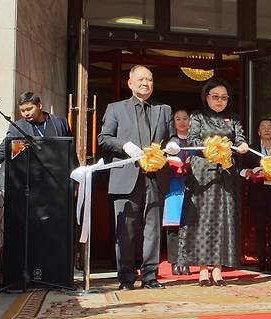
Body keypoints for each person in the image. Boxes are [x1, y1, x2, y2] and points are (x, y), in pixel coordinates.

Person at [98, 65, 180, 290]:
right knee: (126, 231)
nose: (146, 83)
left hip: (155, 176)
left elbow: (172, 136)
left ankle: (150, 276)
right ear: (130, 83)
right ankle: (126, 277)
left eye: (150, 80)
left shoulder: (163, 109)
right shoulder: (116, 108)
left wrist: (174, 144)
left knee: (153, 230)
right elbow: (103, 138)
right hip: (126, 177)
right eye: (141, 79)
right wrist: (124, 145)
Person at [177, 78, 249, 287]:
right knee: (202, 221)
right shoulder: (198, 116)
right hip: (203, 175)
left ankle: (217, 269)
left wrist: (242, 145)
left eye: (223, 97)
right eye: (215, 97)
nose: (219, 101)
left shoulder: (233, 118)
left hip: (226, 175)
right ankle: (201, 270)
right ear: (206, 97)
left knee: (222, 220)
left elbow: (240, 139)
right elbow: (192, 141)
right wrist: (213, 148)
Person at [240, 118, 271, 273]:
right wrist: (250, 172)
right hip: (257, 192)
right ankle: (260, 261)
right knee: (259, 228)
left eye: (270, 127)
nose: (266, 130)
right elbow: (241, 169)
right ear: (258, 131)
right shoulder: (251, 149)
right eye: (263, 127)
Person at [0, 92, 71, 166]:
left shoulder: (60, 122)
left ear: (39, 106)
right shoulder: (17, 127)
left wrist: (75, 176)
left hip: (57, 175)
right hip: (31, 177)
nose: (26, 113)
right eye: (22, 111)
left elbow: (70, 149)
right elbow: (4, 149)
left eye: (29, 109)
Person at [164, 109, 192, 276]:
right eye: (178, 119)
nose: (182, 122)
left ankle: (186, 261)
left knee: (189, 226)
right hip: (174, 187)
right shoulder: (170, 143)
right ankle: (174, 262)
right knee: (173, 226)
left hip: (192, 186)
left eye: (185, 118)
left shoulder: (195, 141)